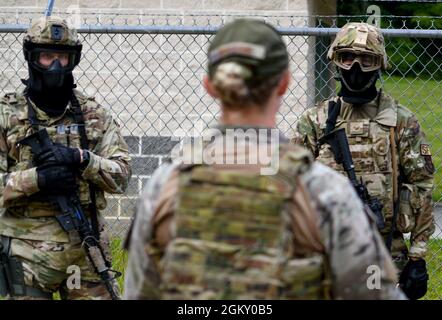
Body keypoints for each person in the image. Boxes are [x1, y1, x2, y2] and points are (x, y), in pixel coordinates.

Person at [123, 19, 404, 300]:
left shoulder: (163, 187)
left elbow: (140, 292)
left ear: (209, 85)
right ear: (283, 83)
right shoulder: (324, 193)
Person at [293, 22, 435, 300]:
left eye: (366, 60)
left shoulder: (400, 120)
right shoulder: (316, 120)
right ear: (336, 61)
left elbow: (422, 185)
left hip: (383, 250)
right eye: (348, 58)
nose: (355, 68)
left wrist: (418, 257)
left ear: (379, 64)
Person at [0, 16, 131, 300]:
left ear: (74, 60)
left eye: (63, 57)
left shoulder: (94, 115)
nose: (56, 66)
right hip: (27, 258)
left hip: (87, 250)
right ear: (31, 57)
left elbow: (122, 178)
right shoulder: (6, 115)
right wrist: (37, 179)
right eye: (47, 56)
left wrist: (82, 159)